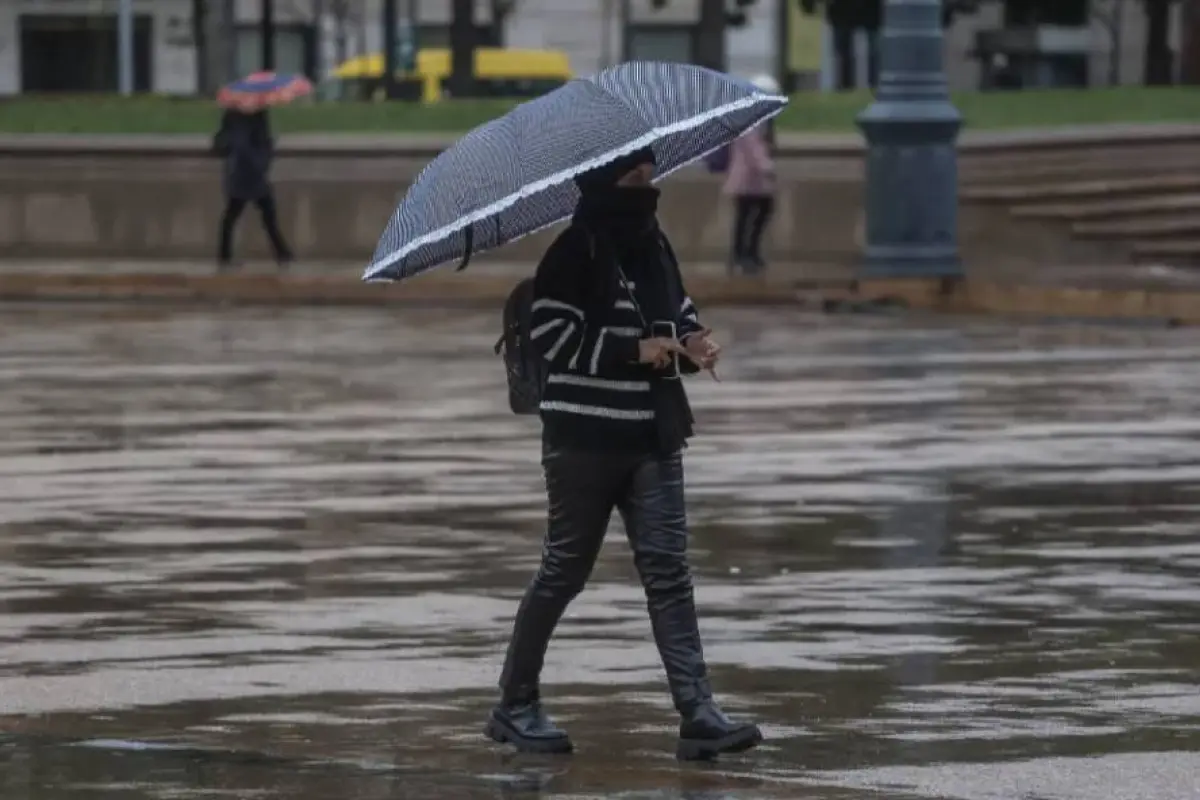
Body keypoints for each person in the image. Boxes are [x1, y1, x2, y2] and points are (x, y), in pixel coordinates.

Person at [484, 147, 763, 761]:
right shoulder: (573, 251)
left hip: (654, 434)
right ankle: (515, 703)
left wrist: (692, 343)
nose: (647, 190)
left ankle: (698, 712)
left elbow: (677, 310)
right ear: (604, 183)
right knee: (564, 571)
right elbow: (555, 338)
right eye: (634, 179)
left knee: (669, 572)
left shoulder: (655, 247)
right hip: (584, 440)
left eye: (650, 177)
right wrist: (635, 352)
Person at [211, 108, 293, 271]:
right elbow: (260, 143)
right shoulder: (257, 114)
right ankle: (283, 254)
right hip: (250, 174)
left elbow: (222, 142)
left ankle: (224, 257)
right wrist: (263, 158)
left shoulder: (232, 114)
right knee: (266, 215)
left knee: (233, 215)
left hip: (239, 173)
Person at [724, 74, 779, 275]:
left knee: (752, 214)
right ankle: (743, 255)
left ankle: (748, 253)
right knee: (747, 215)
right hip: (747, 177)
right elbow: (752, 147)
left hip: (754, 179)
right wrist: (767, 167)